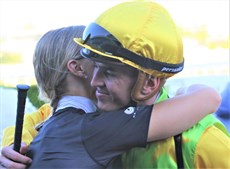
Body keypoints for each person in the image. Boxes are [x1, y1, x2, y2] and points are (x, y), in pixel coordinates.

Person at [1, 1, 228, 168]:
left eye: (108, 71)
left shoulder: (203, 142)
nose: (94, 80)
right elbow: (40, 119)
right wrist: (15, 144)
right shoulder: (94, 118)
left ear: (149, 83)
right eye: (94, 65)